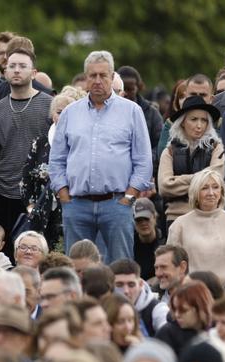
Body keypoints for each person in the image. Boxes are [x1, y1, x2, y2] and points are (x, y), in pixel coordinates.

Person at [49, 51, 153, 263]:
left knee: (119, 267)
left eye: (103, 75)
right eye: (92, 75)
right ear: (86, 78)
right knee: (77, 270)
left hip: (116, 203)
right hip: (76, 204)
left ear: (112, 75)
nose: (97, 81)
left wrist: (129, 197)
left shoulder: (132, 112)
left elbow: (143, 160)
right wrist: (64, 196)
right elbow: (57, 159)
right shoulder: (70, 113)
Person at [0, 41, 53, 257]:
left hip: (38, 194)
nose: (16, 70)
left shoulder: (49, 105)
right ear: (5, 70)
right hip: (1, 193)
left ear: (34, 72)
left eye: (22, 66)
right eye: (12, 66)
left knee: (34, 253)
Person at [158, 96, 224, 225]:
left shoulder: (216, 147)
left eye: (204, 120)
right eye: (193, 119)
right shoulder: (170, 150)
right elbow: (165, 186)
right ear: (182, 122)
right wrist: (202, 179)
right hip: (175, 217)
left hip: (209, 216)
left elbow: (217, 179)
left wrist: (178, 181)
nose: (199, 125)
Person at [166, 167, 225, 286]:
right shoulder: (179, 225)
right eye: (204, 188)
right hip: (191, 293)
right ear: (195, 193)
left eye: (215, 187)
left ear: (222, 192)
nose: (211, 193)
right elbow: (172, 265)